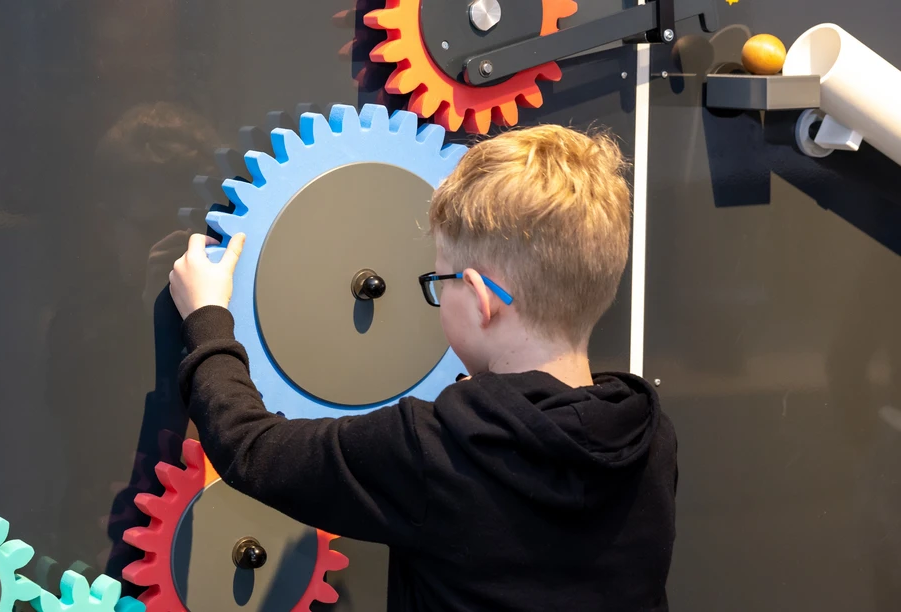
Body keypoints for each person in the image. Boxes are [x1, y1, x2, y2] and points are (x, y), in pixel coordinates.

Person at [167, 125, 677, 611]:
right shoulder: (649, 438)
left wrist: (208, 317)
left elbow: (252, 449)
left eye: (439, 281)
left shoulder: (436, 449)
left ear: (481, 299)